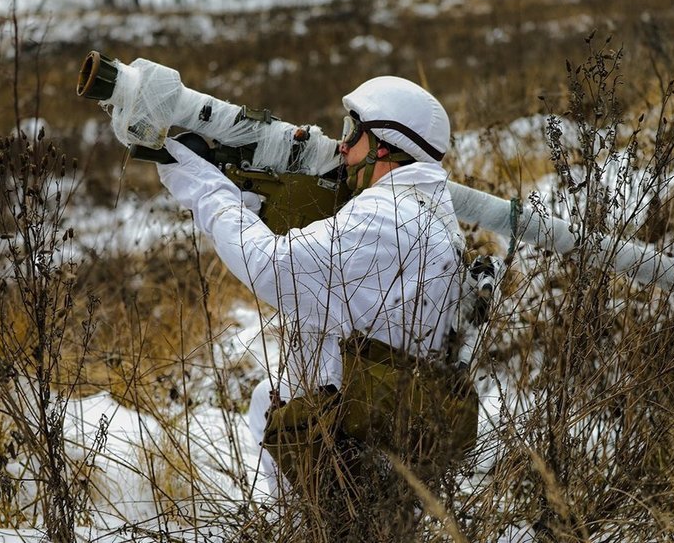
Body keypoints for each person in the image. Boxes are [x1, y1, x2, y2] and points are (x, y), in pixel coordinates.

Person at [155, 76, 479, 534]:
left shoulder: (385, 220)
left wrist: (205, 187)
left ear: (386, 145)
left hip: (345, 439)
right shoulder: (426, 210)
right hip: (380, 431)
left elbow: (267, 265)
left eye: (353, 133)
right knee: (264, 401)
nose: (343, 147)